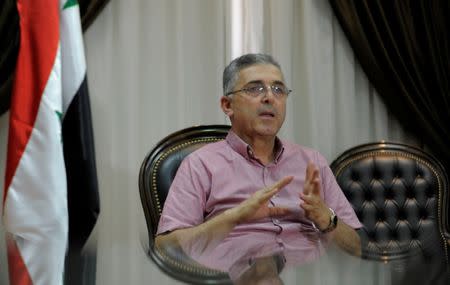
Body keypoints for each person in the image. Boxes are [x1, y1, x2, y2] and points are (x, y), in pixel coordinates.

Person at [155, 53, 362, 280]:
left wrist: (326, 219)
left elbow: (356, 248)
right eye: (255, 89)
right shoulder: (200, 164)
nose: (269, 98)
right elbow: (166, 247)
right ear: (227, 105)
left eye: (278, 89)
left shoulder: (312, 162)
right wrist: (233, 217)